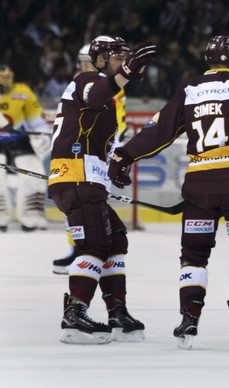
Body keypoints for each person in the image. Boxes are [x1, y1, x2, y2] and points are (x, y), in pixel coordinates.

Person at [107, 35, 229, 351]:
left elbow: (159, 131)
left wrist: (123, 155)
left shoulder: (189, 87)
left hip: (199, 185)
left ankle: (188, 317)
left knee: (194, 255)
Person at [48, 35, 156, 344]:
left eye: (126, 56)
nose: (123, 60)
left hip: (86, 177)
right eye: (117, 56)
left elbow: (97, 136)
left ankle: (117, 311)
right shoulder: (88, 79)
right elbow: (96, 93)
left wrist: (114, 166)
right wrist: (128, 72)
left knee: (116, 237)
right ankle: (75, 313)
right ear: (99, 60)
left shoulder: (107, 93)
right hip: (76, 177)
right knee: (94, 244)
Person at [52, 44, 130, 274]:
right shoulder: (90, 81)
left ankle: (84, 251)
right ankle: (80, 251)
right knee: (86, 213)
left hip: (97, 154)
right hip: (85, 159)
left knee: (92, 214)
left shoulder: (98, 83)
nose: (82, 65)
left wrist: (117, 150)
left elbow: (115, 122)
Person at [0, 64, 50, 232]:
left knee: (34, 175)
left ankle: (32, 217)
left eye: (8, 77)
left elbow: (37, 119)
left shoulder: (22, 92)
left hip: (20, 141)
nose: (6, 81)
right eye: (3, 77)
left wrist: (41, 135)